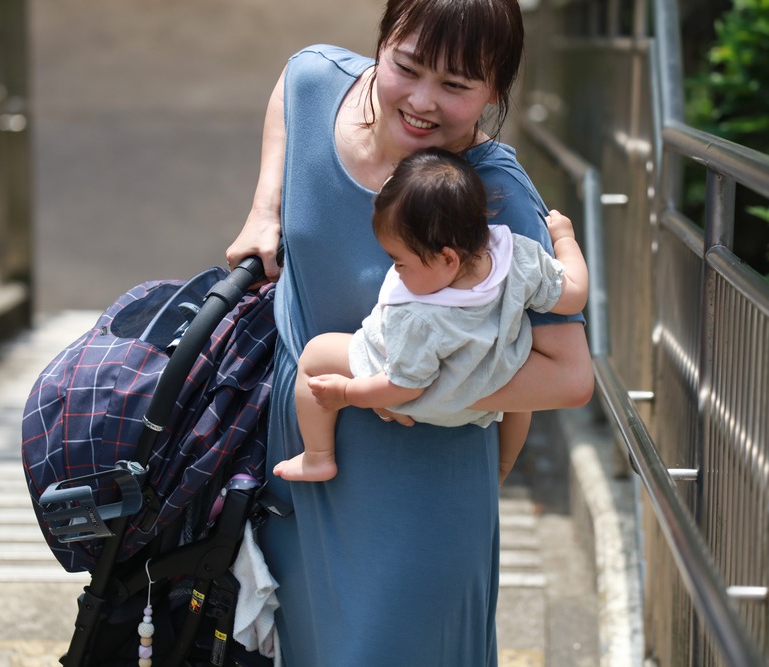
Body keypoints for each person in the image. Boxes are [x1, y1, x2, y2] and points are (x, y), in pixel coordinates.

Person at [225, 0, 594, 664]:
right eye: (408, 66)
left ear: (495, 92)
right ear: (382, 44)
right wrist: (265, 207)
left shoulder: (494, 194)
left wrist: (416, 386)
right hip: (299, 461)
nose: (423, 101)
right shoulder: (321, 86)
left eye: (455, 84)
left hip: (422, 483)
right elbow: (294, 82)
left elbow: (570, 377)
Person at [273, 146, 589, 485]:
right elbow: (574, 295)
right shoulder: (519, 257)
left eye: (400, 261)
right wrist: (564, 239)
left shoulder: (418, 316)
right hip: (497, 379)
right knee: (521, 407)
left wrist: (348, 392)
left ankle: (317, 457)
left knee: (316, 354)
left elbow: (404, 387)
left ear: (448, 259)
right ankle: (501, 468)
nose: (396, 269)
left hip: (434, 400)